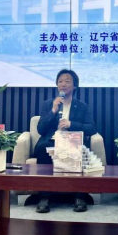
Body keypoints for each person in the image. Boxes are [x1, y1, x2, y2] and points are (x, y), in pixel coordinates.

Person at [34, 69, 97, 213]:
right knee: (42, 147)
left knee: (79, 149)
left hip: (73, 140)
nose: (63, 84)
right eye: (60, 81)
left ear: (75, 86)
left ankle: (79, 197)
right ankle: (44, 197)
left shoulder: (82, 106)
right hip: (52, 141)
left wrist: (71, 124)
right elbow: (41, 130)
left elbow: (92, 128)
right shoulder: (48, 104)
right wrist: (53, 111)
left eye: (67, 81)